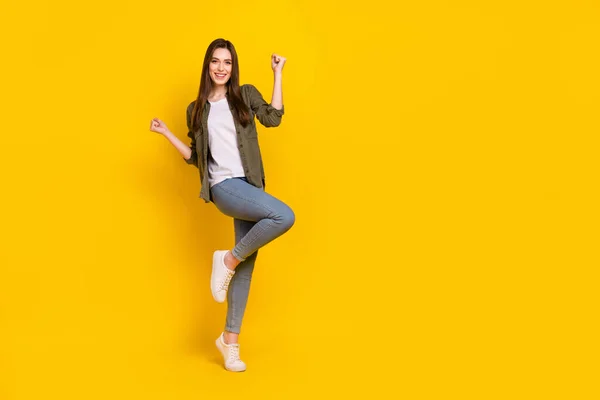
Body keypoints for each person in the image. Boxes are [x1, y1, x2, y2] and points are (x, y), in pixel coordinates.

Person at [149, 38, 295, 372]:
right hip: (223, 187)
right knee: (284, 216)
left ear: (233, 67)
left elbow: (273, 119)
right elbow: (197, 158)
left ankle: (230, 342)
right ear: (207, 65)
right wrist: (168, 134)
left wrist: (278, 73)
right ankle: (226, 259)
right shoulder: (196, 109)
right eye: (215, 61)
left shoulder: (244, 95)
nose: (221, 68)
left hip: (251, 185)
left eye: (227, 63)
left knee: (244, 268)